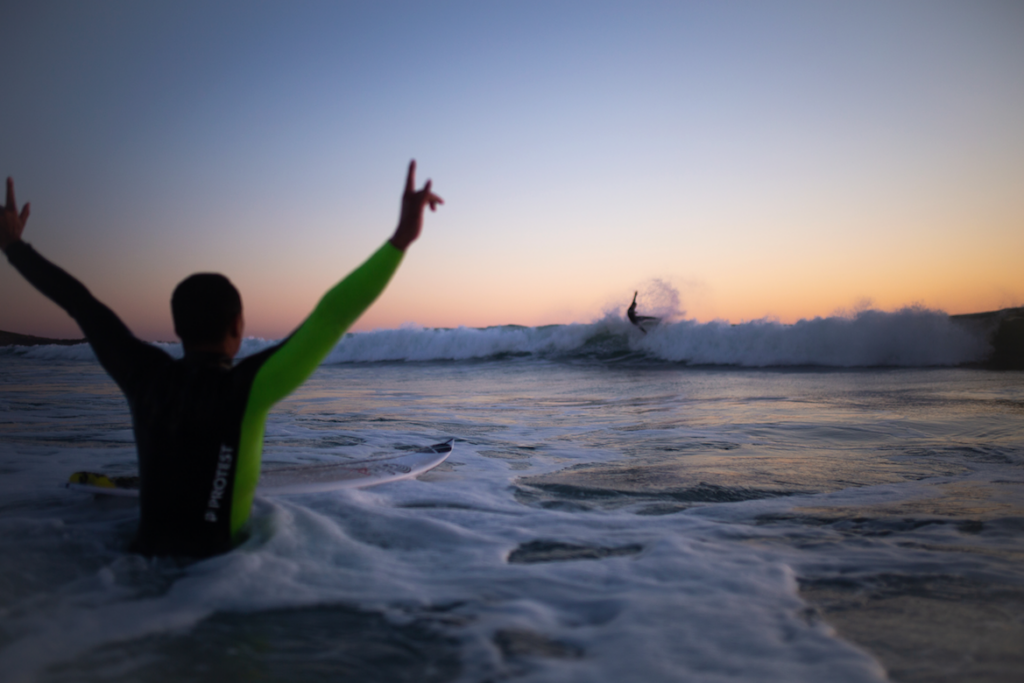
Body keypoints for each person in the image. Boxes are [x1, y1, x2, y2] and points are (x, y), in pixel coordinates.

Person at [0, 163, 442, 558]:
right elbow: (330, 318)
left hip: (138, 567)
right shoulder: (248, 388)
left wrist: (15, 248)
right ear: (237, 326)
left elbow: (80, 303)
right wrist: (401, 239)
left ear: (178, 329)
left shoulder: (144, 376)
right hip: (214, 582)